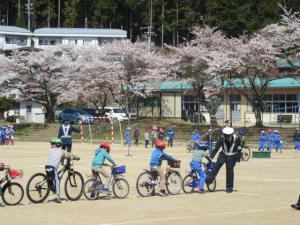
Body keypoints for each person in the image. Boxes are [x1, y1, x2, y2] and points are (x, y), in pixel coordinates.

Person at [45, 138, 79, 203]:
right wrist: (76, 157)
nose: (51, 145)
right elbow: (69, 155)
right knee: (57, 180)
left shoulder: (51, 150)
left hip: (47, 166)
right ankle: (57, 196)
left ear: (57, 144)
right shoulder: (61, 151)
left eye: (52, 144)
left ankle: (52, 188)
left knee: (50, 178)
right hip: (53, 167)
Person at [209, 127, 242, 193]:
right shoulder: (222, 138)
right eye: (225, 135)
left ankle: (229, 187)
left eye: (228, 136)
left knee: (229, 171)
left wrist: (238, 159)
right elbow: (216, 148)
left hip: (232, 156)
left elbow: (239, 149)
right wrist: (211, 157)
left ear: (231, 135)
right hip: (223, 155)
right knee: (216, 167)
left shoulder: (237, 139)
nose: (226, 137)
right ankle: (209, 180)